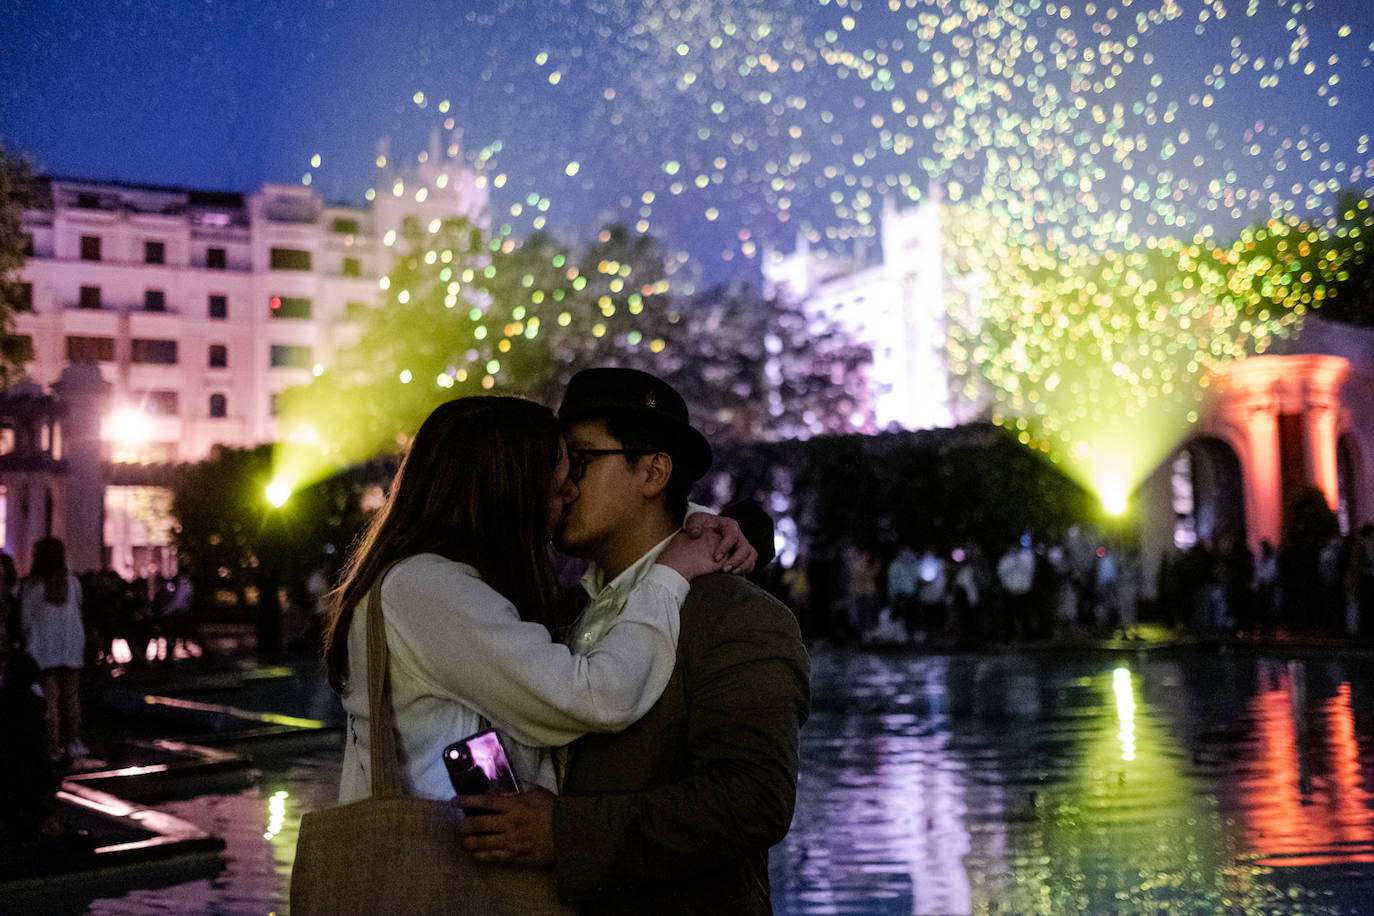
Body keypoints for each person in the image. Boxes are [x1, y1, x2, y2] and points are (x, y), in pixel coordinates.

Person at [459, 368, 811, 915]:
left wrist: (565, 833)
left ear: (652, 472)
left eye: (580, 460)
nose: (562, 484)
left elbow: (753, 801)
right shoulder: (560, 611)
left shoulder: (735, 617)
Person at [320, 395, 754, 810]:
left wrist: (698, 524)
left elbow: (633, 536)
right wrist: (670, 572)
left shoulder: (437, 582)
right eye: (562, 478)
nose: (569, 495)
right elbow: (596, 696)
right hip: (438, 869)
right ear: (510, 487)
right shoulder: (426, 590)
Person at [19, 537, 88, 763]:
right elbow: (79, 608)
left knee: (49, 699)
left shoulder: (32, 586)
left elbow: (25, 621)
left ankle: (52, 745)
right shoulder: (73, 583)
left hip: (43, 648)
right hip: (71, 645)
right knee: (71, 697)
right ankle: (74, 742)